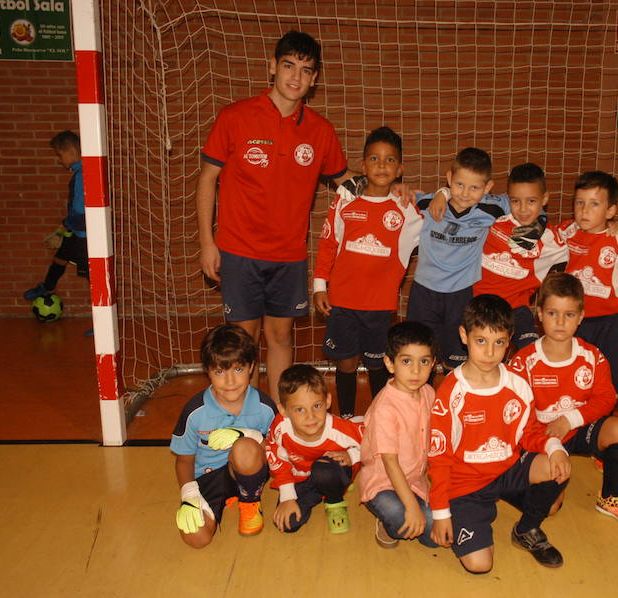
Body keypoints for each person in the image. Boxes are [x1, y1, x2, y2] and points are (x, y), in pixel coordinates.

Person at [196, 30, 358, 408]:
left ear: (315, 78)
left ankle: (280, 422)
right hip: (239, 251)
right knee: (243, 340)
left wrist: (392, 188)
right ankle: (244, 418)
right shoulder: (235, 117)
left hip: (288, 255)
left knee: (281, 337)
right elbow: (207, 179)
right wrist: (207, 242)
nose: (295, 77)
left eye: (305, 70)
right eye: (288, 65)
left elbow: (343, 181)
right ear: (272, 66)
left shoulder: (321, 131)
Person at [428, 294, 572, 574]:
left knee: (556, 471)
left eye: (499, 343)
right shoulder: (451, 391)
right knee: (480, 565)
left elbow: (529, 433)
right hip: (466, 485)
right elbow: (439, 458)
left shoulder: (517, 385)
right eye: (481, 341)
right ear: (464, 336)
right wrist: (441, 513)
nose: (490, 352)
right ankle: (478, 517)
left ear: (510, 341)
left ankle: (526, 530)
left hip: (506, 471)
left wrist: (554, 446)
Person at [509, 272, 618, 529]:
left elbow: (607, 397)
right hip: (542, 435)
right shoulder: (523, 361)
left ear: (581, 317)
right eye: (552, 313)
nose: (560, 322)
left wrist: (570, 419)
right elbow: (517, 416)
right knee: (550, 508)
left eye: (569, 314)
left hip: (578, 428)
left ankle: (610, 498)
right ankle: (505, 486)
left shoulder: (591, 356)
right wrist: (551, 441)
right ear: (539, 314)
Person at [313, 126, 423, 418]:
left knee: (378, 364)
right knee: (346, 363)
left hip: (379, 307)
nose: (381, 166)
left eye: (389, 160)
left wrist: (436, 195)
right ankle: (347, 415)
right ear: (362, 166)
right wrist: (319, 286)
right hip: (343, 302)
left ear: (399, 169)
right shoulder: (346, 200)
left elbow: (439, 219)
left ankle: (379, 416)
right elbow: (328, 243)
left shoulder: (406, 210)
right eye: (374, 159)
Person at [170, 324, 278, 547]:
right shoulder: (195, 411)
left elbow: (279, 450)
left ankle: (250, 501)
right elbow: (184, 460)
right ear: (207, 371)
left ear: (251, 367)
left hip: (247, 468)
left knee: (244, 446)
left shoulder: (265, 407)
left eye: (237, 369)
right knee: (196, 538)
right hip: (207, 477)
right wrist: (189, 494)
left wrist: (249, 435)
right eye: (219, 372)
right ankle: (222, 499)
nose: (229, 382)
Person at [407, 148, 509, 376]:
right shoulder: (426, 205)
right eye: (459, 184)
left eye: (475, 188)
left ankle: (453, 406)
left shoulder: (492, 209)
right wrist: (436, 192)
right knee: (421, 355)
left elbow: (528, 204)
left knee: (457, 360)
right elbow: (398, 196)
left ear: (488, 188)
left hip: (461, 294)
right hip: (424, 292)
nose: (465, 193)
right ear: (449, 178)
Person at [557, 170, 618, 408]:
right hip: (575, 321)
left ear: (610, 211)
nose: (584, 210)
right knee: (573, 375)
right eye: (580, 202)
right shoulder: (568, 233)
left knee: (609, 377)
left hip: (610, 322)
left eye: (594, 204)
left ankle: (607, 425)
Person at [360, 321, 438, 549]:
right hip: (383, 481)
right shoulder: (385, 407)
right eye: (406, 361)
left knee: (433, 536)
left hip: (415, 479)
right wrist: (412, 508)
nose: (416, 370)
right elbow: (390, 462)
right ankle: (386, 520)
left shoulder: (428, 392)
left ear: (433, 364)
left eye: (424, 361)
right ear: (389, 364)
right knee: (402, 518)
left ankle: (411, 504)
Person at [473, 162, 566, 350]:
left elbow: (584, 239)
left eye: (531, 201)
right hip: (479, 304)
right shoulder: (493, 220)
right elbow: (461, 198)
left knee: (531, 350)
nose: (523, 209)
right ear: (508, 199)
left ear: (545, 199)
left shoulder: (552, 240)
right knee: (479, 355)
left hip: (516, 308)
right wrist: (442, 193)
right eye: (516, 201)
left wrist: (612, 226)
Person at [266, 364, 363, 534]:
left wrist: (352, 455)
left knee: (326, 473)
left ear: (327, 401)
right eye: (300, 409)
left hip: (331, 468)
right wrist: (288, 497)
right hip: (300, 476)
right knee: (289, 523)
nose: (310, 416)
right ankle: (325, 489)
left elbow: (375, 442)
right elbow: (276, 456)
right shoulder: (280, 428)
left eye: (316, 406)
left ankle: (334, 500)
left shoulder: (340, 430)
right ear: (283, 410)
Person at [23, 131, 89, 301]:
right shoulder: (80, 172)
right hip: (77, 232)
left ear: (72, 151)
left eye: (60, 155)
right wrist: (62, 229)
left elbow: (81, 213)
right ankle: (47, 287)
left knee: (93, 278)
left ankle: (101, 323)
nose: (59, 160)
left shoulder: (83, 175)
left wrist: (64, 226)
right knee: (60, 257)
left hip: (85, 236)